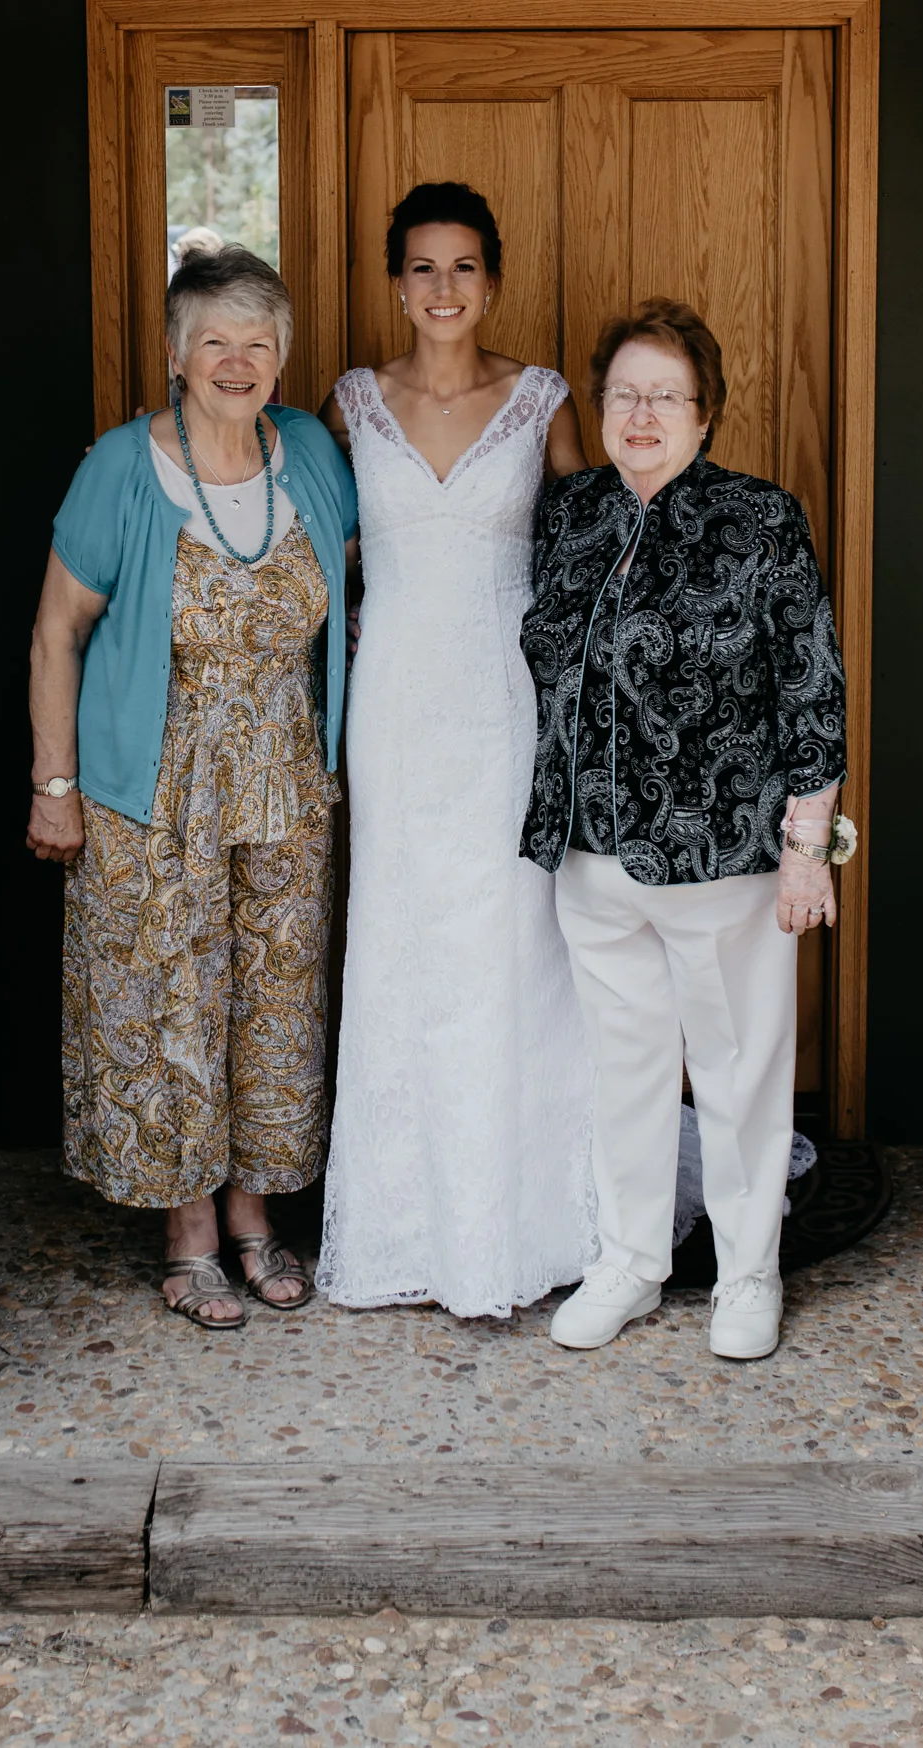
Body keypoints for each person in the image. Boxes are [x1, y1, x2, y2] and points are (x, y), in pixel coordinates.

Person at [27, 247, 358, 1329]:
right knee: (169, 996)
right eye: (214, 338)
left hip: (288, 781)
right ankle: (189, 1233)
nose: (236, 359)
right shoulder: (122, 466)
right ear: (175, 354)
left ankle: (255, 1214)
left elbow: (360, 585)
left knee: (276, 1004)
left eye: (258, 340)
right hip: (154, 785)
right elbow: (57, 632)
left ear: (282, 356)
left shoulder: (309, 452)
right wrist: (53, 784)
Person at [519, 298, 848, 1362]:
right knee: (623, 1070)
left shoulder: (758, 519)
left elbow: (810, 688)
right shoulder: (571, 515)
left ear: (705, 412)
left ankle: (748, 1273)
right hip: (589, 851)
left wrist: (808, 848)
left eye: (665, 396)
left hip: (723, 856)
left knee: (739, 1069)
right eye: (623, 394)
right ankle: (629, 1261)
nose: (641, 414)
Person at [316, 181, 596, 1319]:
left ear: (492, 281)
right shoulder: (349, 404)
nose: (443, 288)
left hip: (503, 703)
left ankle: (522, 1226)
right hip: (392, 706)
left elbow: (587, 549)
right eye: (422, 267)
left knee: (510, 944)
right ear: (396, 283)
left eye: (463, 266)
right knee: (401, 943)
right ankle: (401, 1228)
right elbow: (317, 544)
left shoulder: (541, 401)